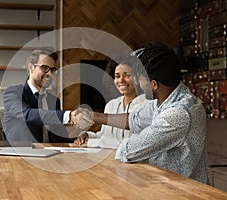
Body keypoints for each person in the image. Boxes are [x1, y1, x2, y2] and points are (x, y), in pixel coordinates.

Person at [76, 44, 208, 184]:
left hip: (184, 192)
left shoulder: (177, 113)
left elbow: (128, 151)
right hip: (162, 185)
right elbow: (133, 120)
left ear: (154, 85)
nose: (137, 82)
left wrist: (94, 142)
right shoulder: (164, 100)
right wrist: (93, 116)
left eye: (139, 78)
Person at [3, 49, 80, 143]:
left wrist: (75, 140)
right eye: (45, 68)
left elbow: (59, 138)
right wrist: (67, 116)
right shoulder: (13, 93)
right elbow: (28, 114)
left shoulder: (53, 100)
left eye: (52, 70)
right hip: (21, 155)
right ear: (31, 67)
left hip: (49, 155)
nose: (50, 74)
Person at [72, 56, 150, 149]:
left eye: (127, 75)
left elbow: (131, 143)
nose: (121, 80)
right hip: (109, 161)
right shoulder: (111, 105)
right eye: (117, 76)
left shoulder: (148, 105)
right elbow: (105, 135)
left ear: (137, 78)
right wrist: (88, 136)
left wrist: (90, 143)